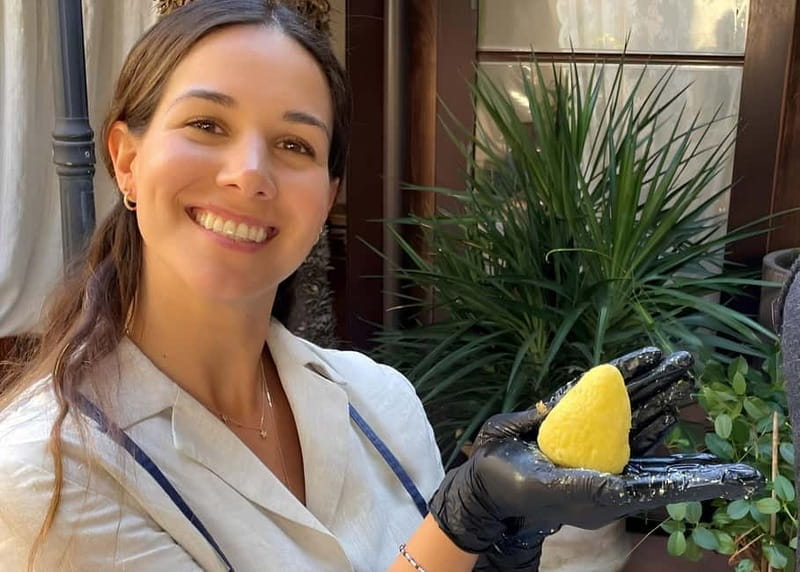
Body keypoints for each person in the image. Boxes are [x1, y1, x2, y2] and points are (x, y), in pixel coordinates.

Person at [0, 1, 763, 570]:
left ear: (327, 196)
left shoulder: (380, 399)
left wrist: (506, 544)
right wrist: (458, 525)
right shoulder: (48, 478)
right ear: (126, 159)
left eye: (295, 143)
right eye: (207, 125)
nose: (250, 174)